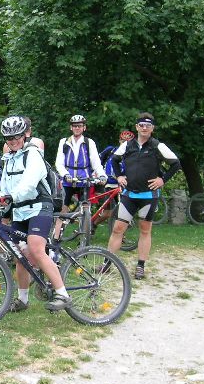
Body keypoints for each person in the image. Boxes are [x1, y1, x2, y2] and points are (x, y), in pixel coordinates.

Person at [0, 116, 70, 312]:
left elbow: (30, 182)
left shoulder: (33, 154)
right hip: (20, 210)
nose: (12, 141)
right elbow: (5, 185)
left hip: (40, 206)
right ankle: (22, 300)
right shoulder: (9, 159)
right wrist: (2, 200)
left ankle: (62, 293)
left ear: (23, 136)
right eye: (8, 138)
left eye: (16, 137)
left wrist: (12, 196)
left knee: (36, 248)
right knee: (20, 255)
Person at [107, 113, 181, 279]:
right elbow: (114, 160)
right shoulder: (127, 145)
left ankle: (141, 266)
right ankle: (107, 263)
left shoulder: (157, 146)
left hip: (148, 195)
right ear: (137, 127)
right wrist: (119, 176)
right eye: (141, 125)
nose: (144, 128)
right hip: (129, 194)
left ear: (152, 128)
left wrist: (163, 180)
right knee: (118, 228)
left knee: (145, 230)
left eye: (148, 125)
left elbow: (176, 164)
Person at [54, 114, 106, 213]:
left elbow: (96, 163)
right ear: (71, 127)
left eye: (80, 126)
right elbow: (59, 163)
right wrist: (65, 174)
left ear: (84, 127)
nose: (77, 128)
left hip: (84, 180)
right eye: (74, 126)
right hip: (68, 180)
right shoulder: (64, 142)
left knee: (85, 205)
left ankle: (84, 226)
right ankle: (58, 228)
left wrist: (102, 175)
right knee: (63, 208)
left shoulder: (89, 142)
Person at [92, 129, 135, 227]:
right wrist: (98, 174)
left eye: (128, 142)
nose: (125, 144)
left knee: (123, 211)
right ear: (119, 141)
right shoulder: (111, 150)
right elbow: (97, 162)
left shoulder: (133, 155)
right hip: (108, 184)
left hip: (123, 185)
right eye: (123, 141)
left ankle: (120, 234)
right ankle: (93, 224)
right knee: (108, 212)